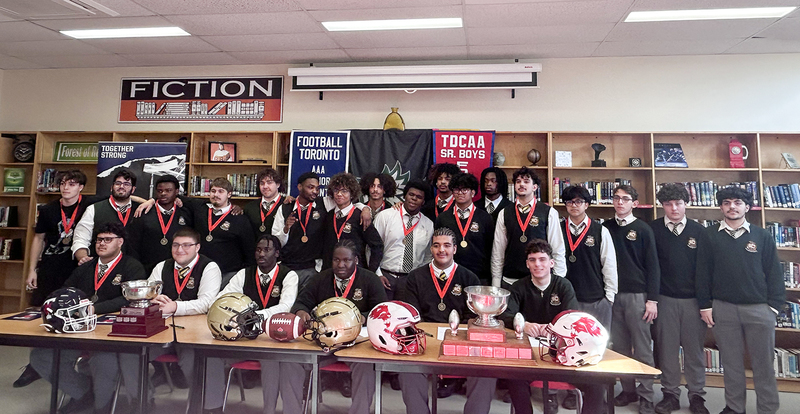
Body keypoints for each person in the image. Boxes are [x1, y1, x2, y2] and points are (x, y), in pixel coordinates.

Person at [30, 222, 147, 414]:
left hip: (111, 334)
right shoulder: (85, 267)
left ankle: (102, 406)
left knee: (102, 360)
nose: (101, 243)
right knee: (41, 356)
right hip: (78, 329)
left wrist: (94, 308)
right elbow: (65, 291)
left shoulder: (132, 267)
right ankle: (82, 392)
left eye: (108, 240)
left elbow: (130, 298)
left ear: (120, 242)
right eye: (99, 239)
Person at [697, 187, 785, 414]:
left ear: (747, 207)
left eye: (737, 202)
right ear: (721, 207)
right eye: (727, 202)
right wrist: (706, 305)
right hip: (723, 309)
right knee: (732, 364)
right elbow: (703, 272)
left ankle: (767, 408)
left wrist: (773, 308)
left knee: (763, 365)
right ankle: (735, 408)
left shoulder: (762, 236)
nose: (732, 206)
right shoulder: (710, 235)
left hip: (758, 310)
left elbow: (774, 273)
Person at [500, 239, 605, 414]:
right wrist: (523, 325)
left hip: (561, 351)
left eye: (542, 259)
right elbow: (504, 315)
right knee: (514, 378)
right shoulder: (518, 287)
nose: (537, 264)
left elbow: (573, 318)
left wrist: (554, 328)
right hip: (529, 354)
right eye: (532, 260)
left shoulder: (564, 286)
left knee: (597, 382)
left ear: (551, 263)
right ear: (527, 264)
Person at [117, 228, 222, 403]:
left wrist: (175, 307)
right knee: (131, 354)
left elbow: (207, 303)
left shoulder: (209, 267)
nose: (180, 250)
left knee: (193, 360)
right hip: (160, 330)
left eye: (186, 245)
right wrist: (152, 298)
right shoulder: (162, 266)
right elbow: (148, 295)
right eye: (176, 245)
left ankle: (202, 404)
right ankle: (142, 401)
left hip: (194, 334)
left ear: (197, 247)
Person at [281, 240, 386, 414]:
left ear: (356, 260)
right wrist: (301, 312)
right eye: (336, 260)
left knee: (366, 366)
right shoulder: (321, 278)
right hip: (322, 342)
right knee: (291, 361)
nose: (341, 265)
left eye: (346, 260)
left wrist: (363, 317)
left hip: (356, 344)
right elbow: (301, 302)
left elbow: (382, 311)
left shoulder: (370, 279)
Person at [396, 227, 491, 412]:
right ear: (431, 249)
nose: (442, 250)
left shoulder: (469, 278)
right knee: (407, 370)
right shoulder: (416, 277)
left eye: (447, 245)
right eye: (437, 246)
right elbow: (412, 314)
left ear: (455, 249)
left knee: (486, 373)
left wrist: (455, 336)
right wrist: (427, 336)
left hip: (460, 341)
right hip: (425, 340)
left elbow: (474, 316)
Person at [204, 234, 299, 414]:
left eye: (267, 249)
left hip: (271, 336)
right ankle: (212, 406)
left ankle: (268, 410)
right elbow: (222, 299)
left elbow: (286, 306)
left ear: (277, 253)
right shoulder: (244, 274)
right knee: (210, 354)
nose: (261, 253)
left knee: (270, 360)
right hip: (241, 336)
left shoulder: (288, 275)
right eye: (258, 249)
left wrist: (252, 316)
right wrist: (226, 311)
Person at [649, 183, 710, 414]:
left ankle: (697, 396)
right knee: (667, 350)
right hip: (664, 299)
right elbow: (650, 267)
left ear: (686, 204)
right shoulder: (652, 229)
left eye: (678, 203)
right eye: (668, 204)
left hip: (693, 302)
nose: (674, 208)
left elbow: (705, 270)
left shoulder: (699, 231)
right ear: (662, 205)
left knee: (694, 351)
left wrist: (706, 304)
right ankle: (670, 394)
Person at [560, 185, 618, 411]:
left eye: (579, 201)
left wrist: (609, 297)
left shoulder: (600, 230)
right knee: (569, 347)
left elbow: (609, 264)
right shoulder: (558, 227)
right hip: (568, 299)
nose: (574, 206)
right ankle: (572, 392)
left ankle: (597, 394)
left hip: (596, 299)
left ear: (587, 204)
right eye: (570, 202)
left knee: (596, 349)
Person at [602, 184, 659, 414]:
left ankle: (646, 395)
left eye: (625, 199)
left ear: (634, 203)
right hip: (612, 295)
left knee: (643, 348)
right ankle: (627, 390)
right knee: (620, 347)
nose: (620, 202)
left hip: (638, 296)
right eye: (616, 198)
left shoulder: (644, 229)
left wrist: (652, 300)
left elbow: (653, 267)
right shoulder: (605, 228)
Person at [491, 167, 566, 289]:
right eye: (518, 181)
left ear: (535, 187)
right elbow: (498, 251)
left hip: (540, 280)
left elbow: (557, 248)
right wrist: (496, 282)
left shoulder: (548, 212)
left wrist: (558, 280)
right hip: (510, 279)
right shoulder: (504, 213)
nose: (521, 184)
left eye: (526, 181)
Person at [182, 177, 256, 281]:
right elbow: (175, 196)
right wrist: (152, 201)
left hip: (228, 274)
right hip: (201, 271)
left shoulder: (240, 218)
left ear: (229, 194)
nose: (216, 195)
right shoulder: (200, 209)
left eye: (221, 191)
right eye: (213, 191)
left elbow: (249, 250)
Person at [372, 179, 434, 300]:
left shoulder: (428, 224)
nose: (414, 198)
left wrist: (420, 278)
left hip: (411, 280)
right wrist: (377, 274)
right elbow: (372, 248)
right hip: (384, 276)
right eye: (411, 194)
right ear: (405, 196)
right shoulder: (385, 216)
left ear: (423, 201)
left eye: (419, 197)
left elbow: (427, 256)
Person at [72, 169, 142, 264]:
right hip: (100, 267)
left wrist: (151, 201)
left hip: (133, 267)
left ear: (133, 189)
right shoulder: (94, 209)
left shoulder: (141, 210)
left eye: (126, 184)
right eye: (118, 183)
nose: (121, 186)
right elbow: (81, 238)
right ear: (111, 187)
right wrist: (83, 257)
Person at [435, 173, 494, 285]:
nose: (460, 193)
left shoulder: (485, 217)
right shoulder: (443, 218)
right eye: (456, 189)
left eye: (464, 189)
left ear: (473, 192)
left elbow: (490, 248)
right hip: (449, 275)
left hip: (479, 276)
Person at [273, 171, 327, 290]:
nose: (315, 191)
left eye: (317, 188)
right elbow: (275, 241)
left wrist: (364, 208)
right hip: (288, 267)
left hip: (312, 268)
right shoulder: (285, 207)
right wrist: (286, 229)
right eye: (310, 187)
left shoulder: (323, 204)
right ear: (299, 187)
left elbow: (346, 203)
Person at [127, 175, 193, 273]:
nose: (163, 194)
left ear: (177, 192)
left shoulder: (185, 213)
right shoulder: (144, 212)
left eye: (168, 190)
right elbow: (133, 245)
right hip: (147, 268)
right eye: (160, 191)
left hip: (177, 269)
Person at [322, 172, 383, 271]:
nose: (339, 194)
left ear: (352, 194)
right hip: (330, 271)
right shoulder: (328, 216)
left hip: (355, 272)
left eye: (344, 191)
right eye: (336, 190)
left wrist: (371, 271)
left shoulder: (361, 216)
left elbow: (377, 245)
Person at [243, 168, 285, 240]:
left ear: (278, 184)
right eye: (262, 183)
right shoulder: (249, 207)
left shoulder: (287, 205)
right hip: (256, 249)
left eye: (269, 182)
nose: (265, 186)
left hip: (280, 250)